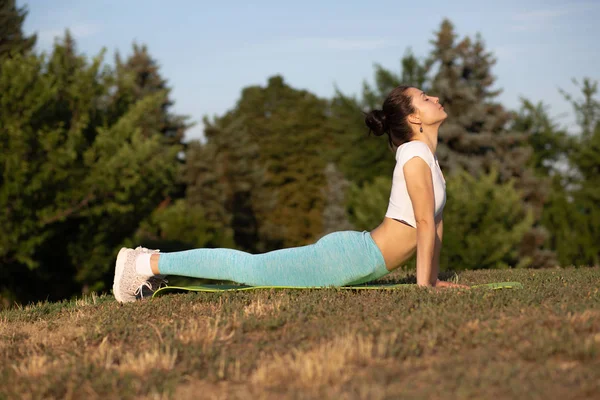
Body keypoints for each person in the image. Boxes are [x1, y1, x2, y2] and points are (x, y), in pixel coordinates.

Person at [112, 85, 469, 303]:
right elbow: (422, 221)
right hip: (348, 260)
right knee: (249, 268)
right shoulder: (414, 153)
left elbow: (434, 225)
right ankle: (143, 263)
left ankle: (149, 264)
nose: (435, 98)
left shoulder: (428, 159)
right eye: (425, 97)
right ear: (414, 119)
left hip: (358, 258)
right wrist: (426, 288)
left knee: (251, 268)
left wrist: (433, 279)